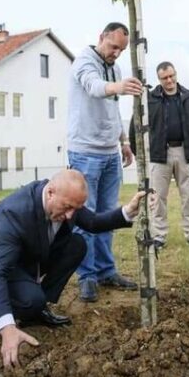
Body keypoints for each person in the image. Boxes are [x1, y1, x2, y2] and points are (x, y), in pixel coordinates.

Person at [0, 169, 146, 368]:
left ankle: (36, 309)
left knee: (77, 245)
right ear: (50, 193)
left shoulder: (67, 198)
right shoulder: (16, 212)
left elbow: (92, 222)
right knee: (30, 300)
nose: (71, 215)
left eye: (76, 209)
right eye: (67, 207)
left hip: (22, 260)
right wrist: (7, 327)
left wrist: (128, 211)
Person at [67, 22, 143, 302]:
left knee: (108, 216)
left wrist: (123, 141)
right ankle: (87, 276)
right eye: (113, 47)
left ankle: (105, 271)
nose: (116, 53)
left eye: (121, 49)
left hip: (110, 153)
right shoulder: (84, 62)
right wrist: (118, 86)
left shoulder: (116, 68)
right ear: (101, 37)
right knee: (85, 218)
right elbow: (95, 87)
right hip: (85, 152)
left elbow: (113, 108)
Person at [128, 61, 189, 250]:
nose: (169, 80)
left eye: (171, 76)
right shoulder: (149, 98)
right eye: (164, 78)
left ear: (175, 74)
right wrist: (137, 152)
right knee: (157, 198)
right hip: (159, 154)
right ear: (159, 79)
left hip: (185, 152)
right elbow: (135, 125)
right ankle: (159, 237)